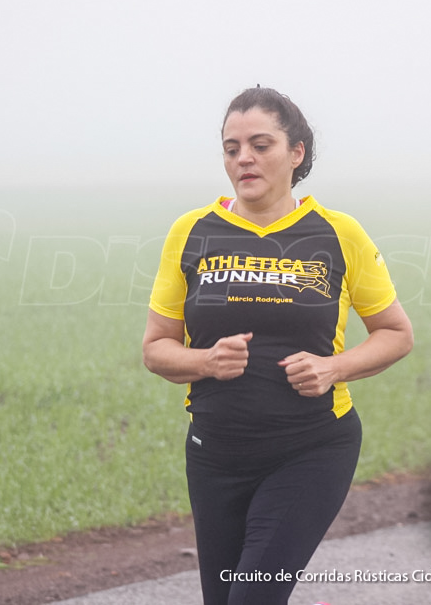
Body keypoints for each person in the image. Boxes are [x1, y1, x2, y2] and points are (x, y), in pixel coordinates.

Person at [142, 86, 414, 604]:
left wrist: (334, 368)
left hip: (310, 449)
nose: (243, 157)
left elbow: (396, 334)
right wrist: (206, 361)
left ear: (297, 153)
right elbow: (156, 349)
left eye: (260, 144)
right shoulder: (192, 232)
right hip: (214, 454)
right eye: (231, 147)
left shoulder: (338, 234)